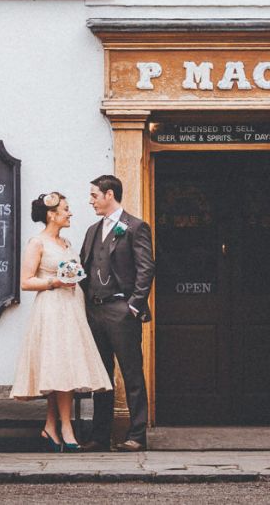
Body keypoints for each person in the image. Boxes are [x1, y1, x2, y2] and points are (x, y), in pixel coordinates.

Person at [10, 191, 112, 452]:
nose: (70, 213)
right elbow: (25, 281)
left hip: (72, 307)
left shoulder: (66, 242)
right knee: (61, 367)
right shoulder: (38, 243)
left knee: (60, 367)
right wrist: (55, 281)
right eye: (66, 210)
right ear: (51, 215)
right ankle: (66, 427)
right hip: (52, 309)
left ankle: (50, 425)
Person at [79, 174, 156, 452]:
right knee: (102, 377)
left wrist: (133, 306)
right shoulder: (91, 231)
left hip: (121, 310)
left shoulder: (135, 227)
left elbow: (146, 268)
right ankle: (100, 436)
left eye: (94, 196)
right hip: (95, 310)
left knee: (132, 374)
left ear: (109, 194)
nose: (91, 201)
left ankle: (137, 435)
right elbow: (84, 268)